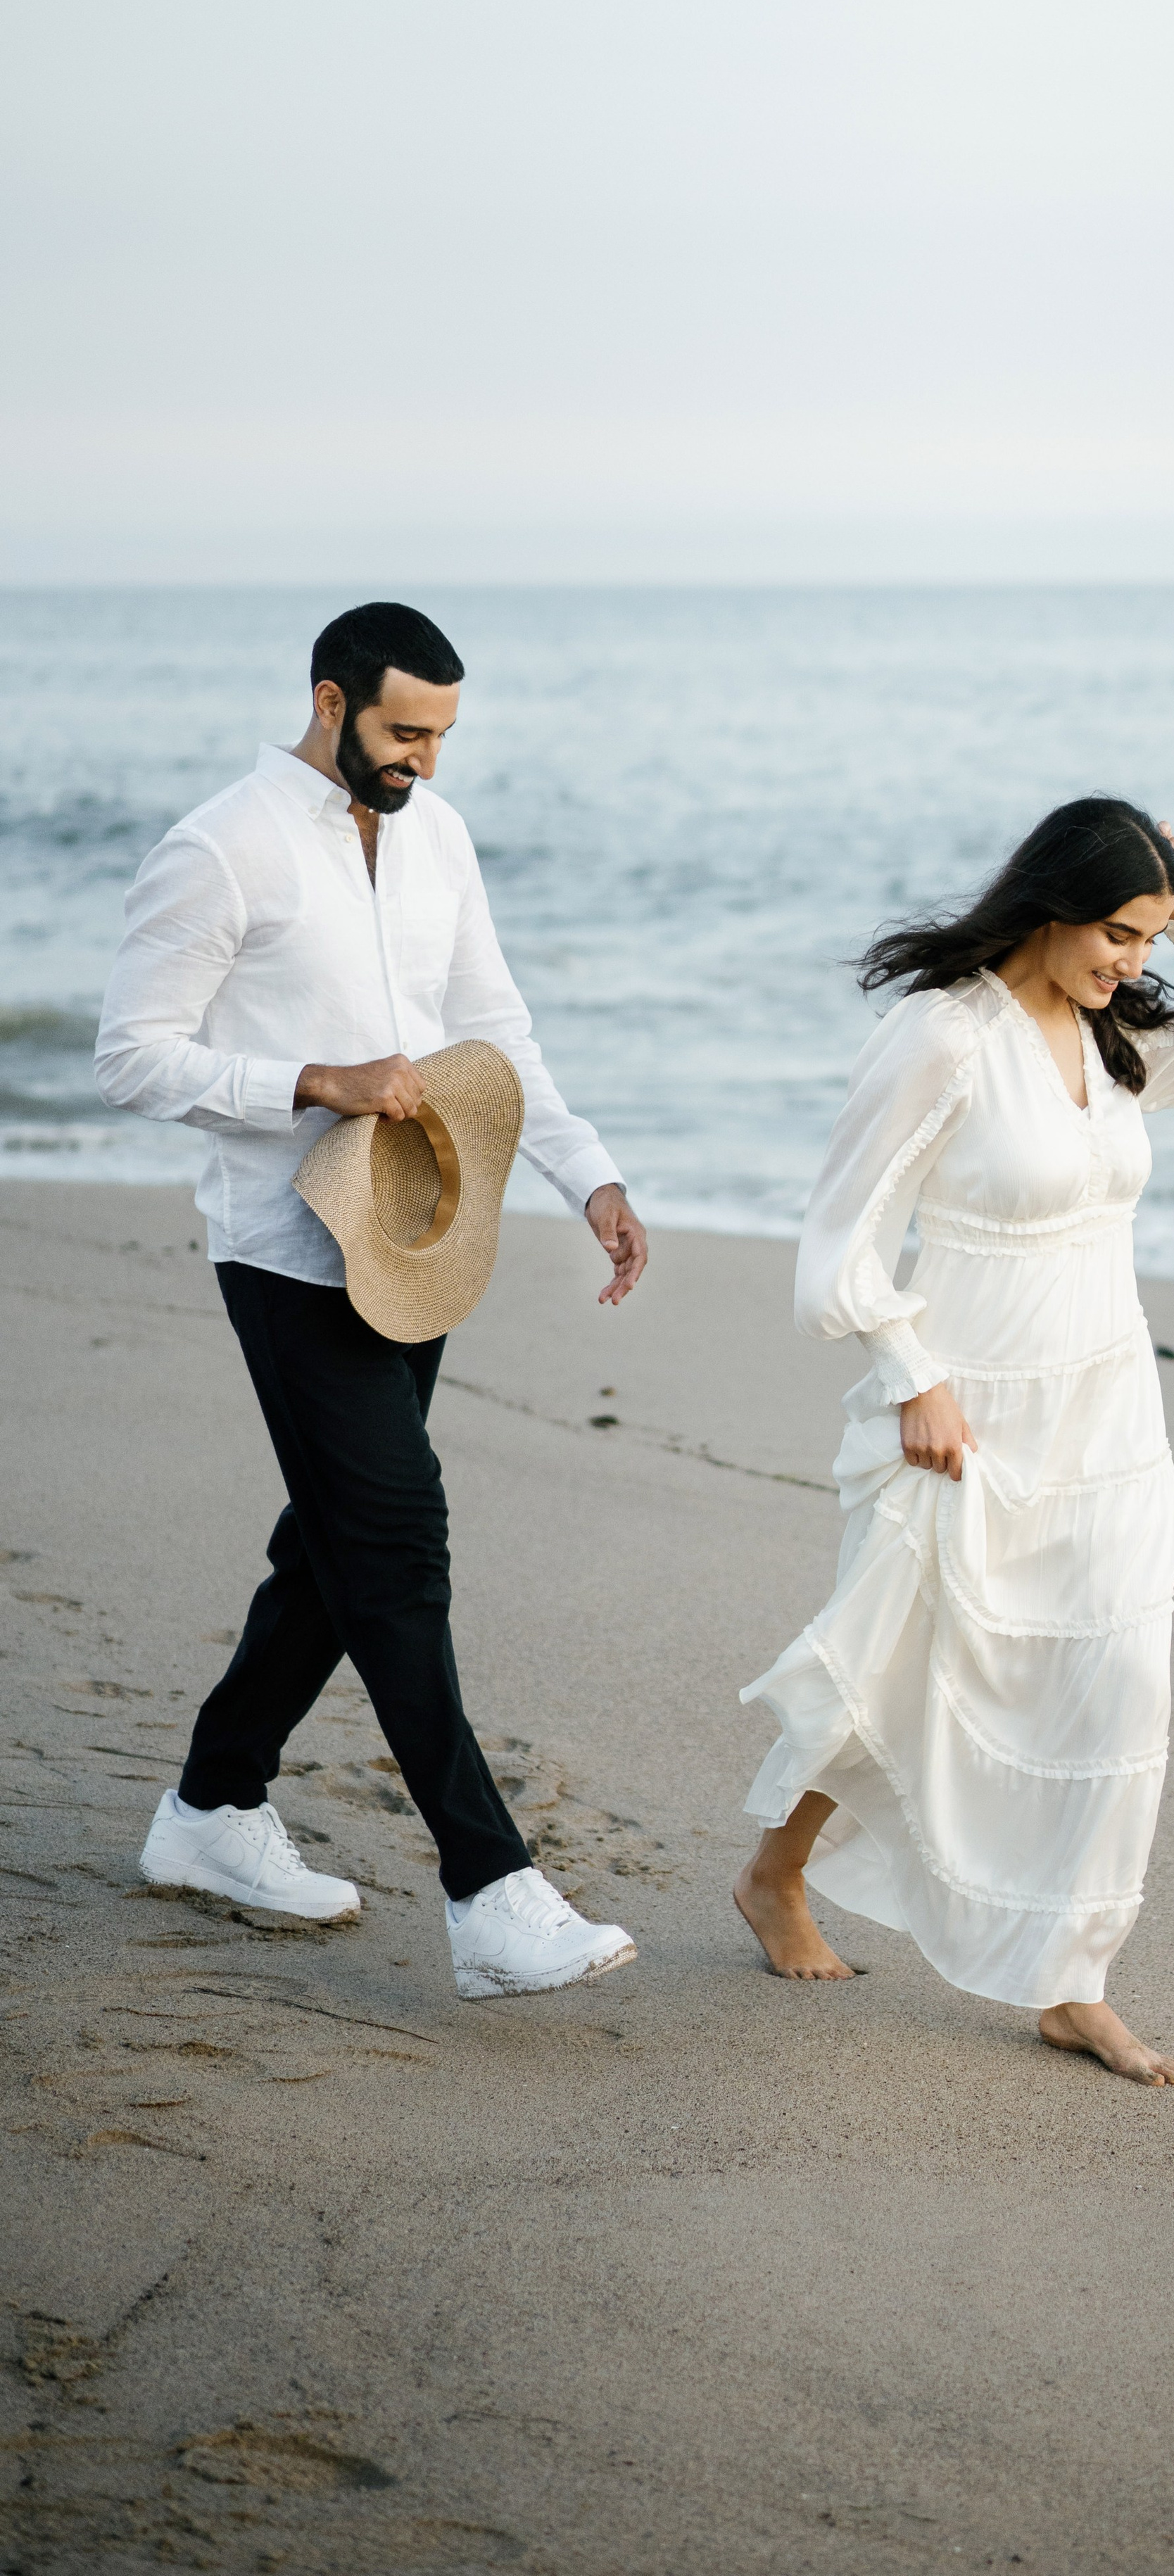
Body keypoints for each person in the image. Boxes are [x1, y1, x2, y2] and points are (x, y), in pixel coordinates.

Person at [95, 602, 649, 2002]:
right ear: (332, 703)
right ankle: (488, 1892)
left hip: (415, 1236)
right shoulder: (223, 846)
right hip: (284, 1251)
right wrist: (309, 1080)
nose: (425, 761)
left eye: (444, 736)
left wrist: (587, 1176)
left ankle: (212, 1814)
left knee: (335, 1548)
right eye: (405, 732)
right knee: (395, 1536)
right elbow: (133, 1059)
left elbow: (493, 1022)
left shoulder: (436, 837)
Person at [733, 797, 1174, 2081]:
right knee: (898, 1662)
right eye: (1117, 933)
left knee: (1119, 1684)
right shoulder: (941, 1039)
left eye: (1150, 939)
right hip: (966, 1410)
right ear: (1048, 907)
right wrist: (913, 1378)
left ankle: (1072, 1978)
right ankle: (775, 1879)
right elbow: (838, 1248)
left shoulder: (1121, 1041)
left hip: (1107, 1408)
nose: (1133, 964)